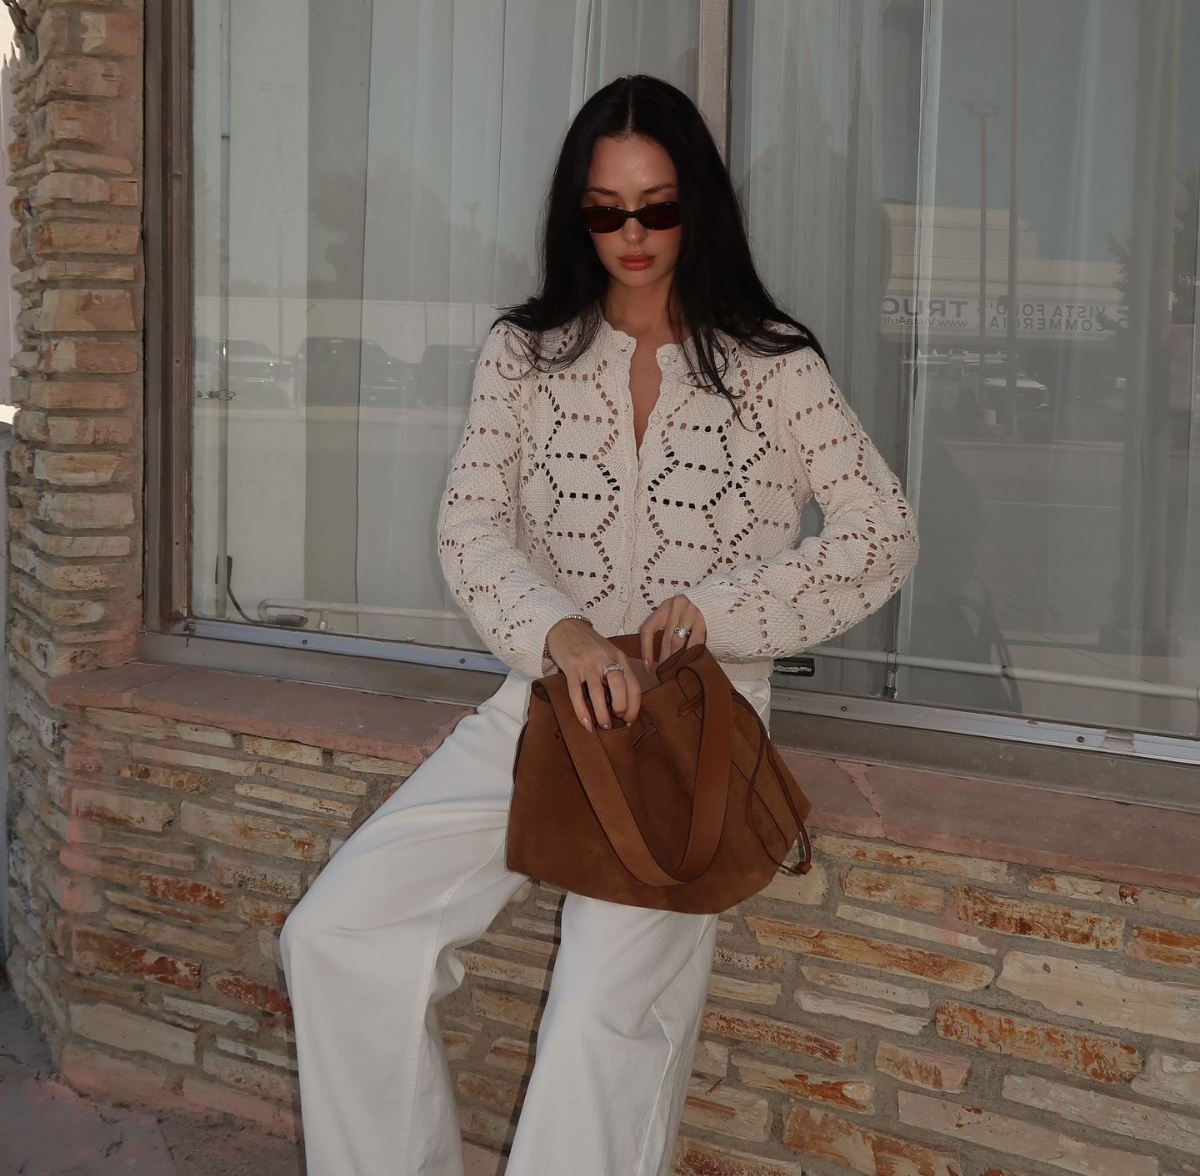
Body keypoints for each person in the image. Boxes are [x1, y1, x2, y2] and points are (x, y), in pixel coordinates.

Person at [280, 74, 919, 1176]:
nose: (633, 234)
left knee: (599, 1028)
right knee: (339, 937)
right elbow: (471, 529)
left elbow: (883, 532)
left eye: (657, 207)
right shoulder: (525, 355)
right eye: (605, 209)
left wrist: (717, 611)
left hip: (692, 733)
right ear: (575, 214)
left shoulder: (773, 365)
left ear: (696, 206)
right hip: (544, 704)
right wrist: (561, 635)